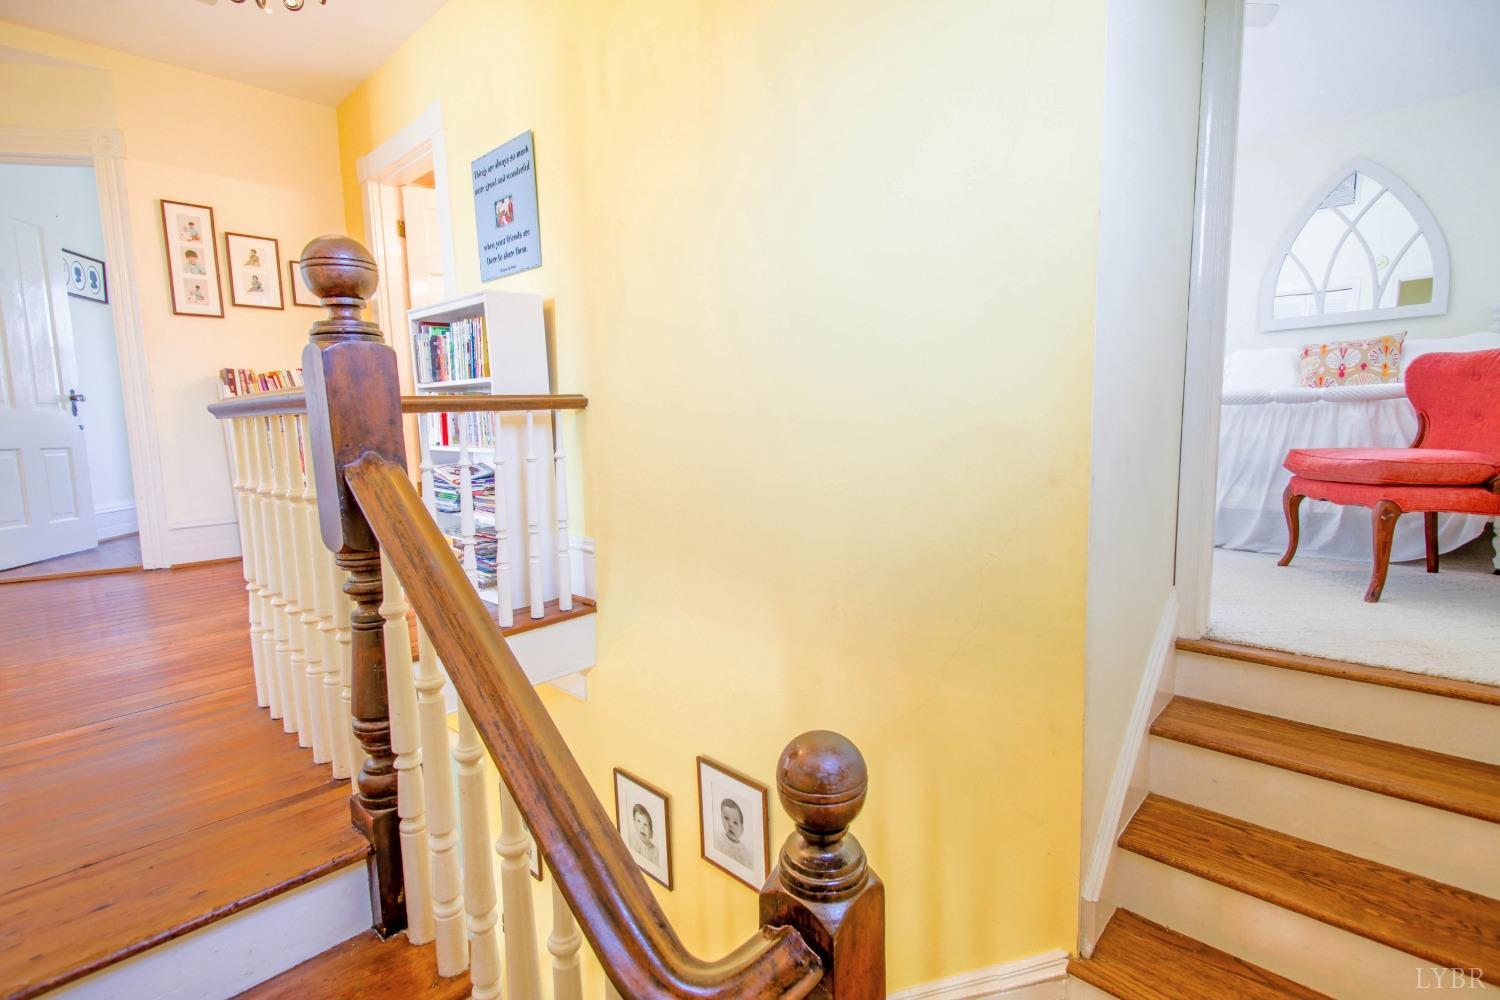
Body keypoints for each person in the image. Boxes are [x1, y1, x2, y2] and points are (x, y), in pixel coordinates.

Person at [713, 798, 755, 870]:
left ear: (741, 830)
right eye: (726, 818)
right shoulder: (718, 838)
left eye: (735, 823)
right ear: (721, 818)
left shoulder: (745, 853)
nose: (730, 824)